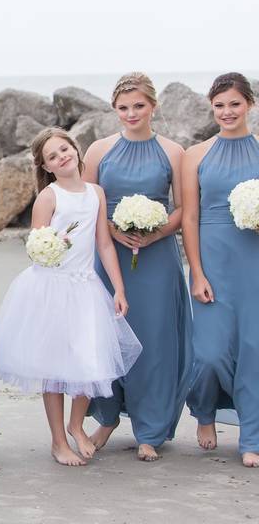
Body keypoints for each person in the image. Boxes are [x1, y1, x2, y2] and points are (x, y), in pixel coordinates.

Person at [0, 128, 142, 466]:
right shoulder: (49, 196)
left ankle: (77, 423)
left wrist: (118, 287)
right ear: (46, 167)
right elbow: (36, 247)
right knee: (55, 368)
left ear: (76, 148)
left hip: (86, 287)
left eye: (65, 149)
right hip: (52, 288)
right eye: (53, 157)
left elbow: (104, 243)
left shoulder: (96, 193)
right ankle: (59, 440)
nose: (62, 157)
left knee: (90, 358)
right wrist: (55, 244)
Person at [82, 73, 192, 462]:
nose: (131, 114)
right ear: (114, 109)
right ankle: (107, 418)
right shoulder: (98, 150)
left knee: (155, 342)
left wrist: (156, 232)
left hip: (157, 259)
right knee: (107, 338)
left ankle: (150, 430)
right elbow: (86, 202)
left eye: (139, 106)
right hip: (109, 257)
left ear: (153, 106)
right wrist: (112, 228)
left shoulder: (174, 152)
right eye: (124, 107)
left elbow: (183, 208)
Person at [181, 73, 259, 468]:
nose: (227, 112)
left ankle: (252, 435)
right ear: (211, 107)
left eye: (235, 104)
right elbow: (189, 216)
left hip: (255, 258)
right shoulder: (195, 154)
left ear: (250, 104)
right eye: (219, 105)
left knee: (254, 350)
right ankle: (205, 411)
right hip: (212, 256)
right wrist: (196, 271)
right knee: (210, 352)